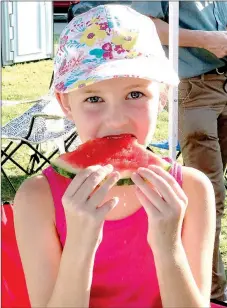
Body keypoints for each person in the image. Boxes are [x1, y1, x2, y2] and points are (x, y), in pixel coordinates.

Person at [14, 5, 216, 308]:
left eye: (135, 94)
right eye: (94, 98)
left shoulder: (193, 190)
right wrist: (80, 244)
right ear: (66, 103)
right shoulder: (36, 199)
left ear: (160, 96)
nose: (116, 119)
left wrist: (168, 246)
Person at [131, 1, 227, 302]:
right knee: (208, 194)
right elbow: (145, 26)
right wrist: (207, 39)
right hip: (196, 88)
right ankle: (212, 292)